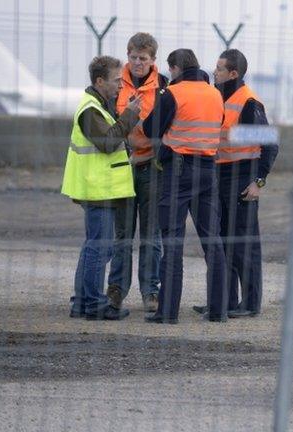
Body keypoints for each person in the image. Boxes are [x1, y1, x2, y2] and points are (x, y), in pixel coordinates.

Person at [142, 48, 228, 324]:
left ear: (175, 69)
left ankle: (167, 312)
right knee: (213, 242)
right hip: (208, 170)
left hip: (178, 172)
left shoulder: (173, 93)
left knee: (173, 243)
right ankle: (218, 310)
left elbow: (150, 130)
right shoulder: (215, 93)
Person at [192, 49, 277, 318]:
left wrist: (258, 182)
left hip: (242, 179)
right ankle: (224, 301)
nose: (214, 72)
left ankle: (250, 304)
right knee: (223, 242)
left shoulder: (248, 102)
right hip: (219, 177)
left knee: (244, 245)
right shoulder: (217, 97)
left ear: (233, 73)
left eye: (219, 69)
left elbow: (270, 145)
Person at [61, 55, 142, 320]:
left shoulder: (99, 106)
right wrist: (129, 116)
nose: (121, 85)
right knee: (100, 247)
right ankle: (94, 304)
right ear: (99, 81)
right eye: (117, 80)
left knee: (94, 246)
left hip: (100, 188)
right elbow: (107, 143)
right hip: (98, 189)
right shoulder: (90, 110)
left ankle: (82, 302)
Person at [106, 32, 168, 313]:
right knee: (122, 234)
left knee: (151, 235)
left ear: (153, 59)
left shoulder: (164, 87)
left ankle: (150, 292)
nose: (138, 62)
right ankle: (116, 290)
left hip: (151, 167)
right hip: (123, 167)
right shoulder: (117, 84)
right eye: (133, 57)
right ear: (127, 55)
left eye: (143, 58)